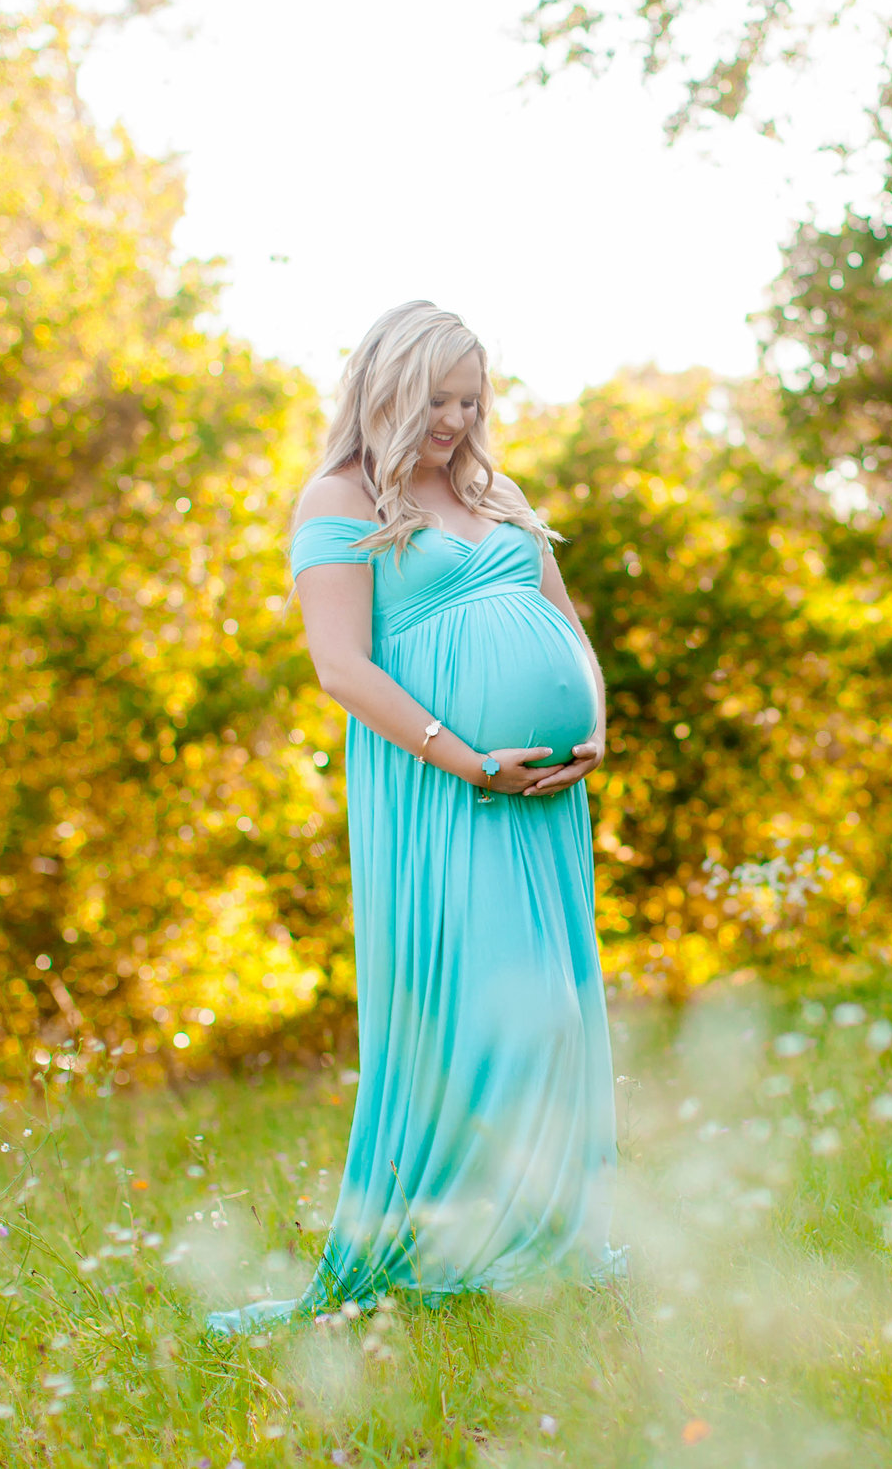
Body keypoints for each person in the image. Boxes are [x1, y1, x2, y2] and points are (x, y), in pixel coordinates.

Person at [206, 301, 621, 1332]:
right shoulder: (339, 496)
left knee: (562, 1013)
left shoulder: (497, 492)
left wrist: (593, 724)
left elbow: (568, 626)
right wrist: (469, 759)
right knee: (499, 1012)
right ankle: (460, 1245)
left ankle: (540, 1234)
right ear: (385, 386)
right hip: (442, 792)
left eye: (470, 399)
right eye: (437, 397)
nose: (455, 418)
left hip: (542, 796)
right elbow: (341, 667)